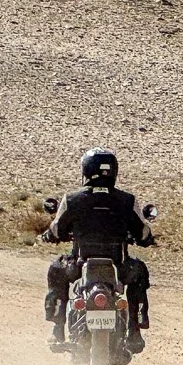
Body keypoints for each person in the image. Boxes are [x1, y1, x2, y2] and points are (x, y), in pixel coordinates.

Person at [42, 148, 153, 352]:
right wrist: (146, 239)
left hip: (79, 264)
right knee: (139, 273)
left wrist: (50, 236)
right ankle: (135, 331)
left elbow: (56, 229)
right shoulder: (128, 201)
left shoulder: (72, 199)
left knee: (56, 270)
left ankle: (58, 329)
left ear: (85, 170)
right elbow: (143, 232)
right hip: (119, 267)